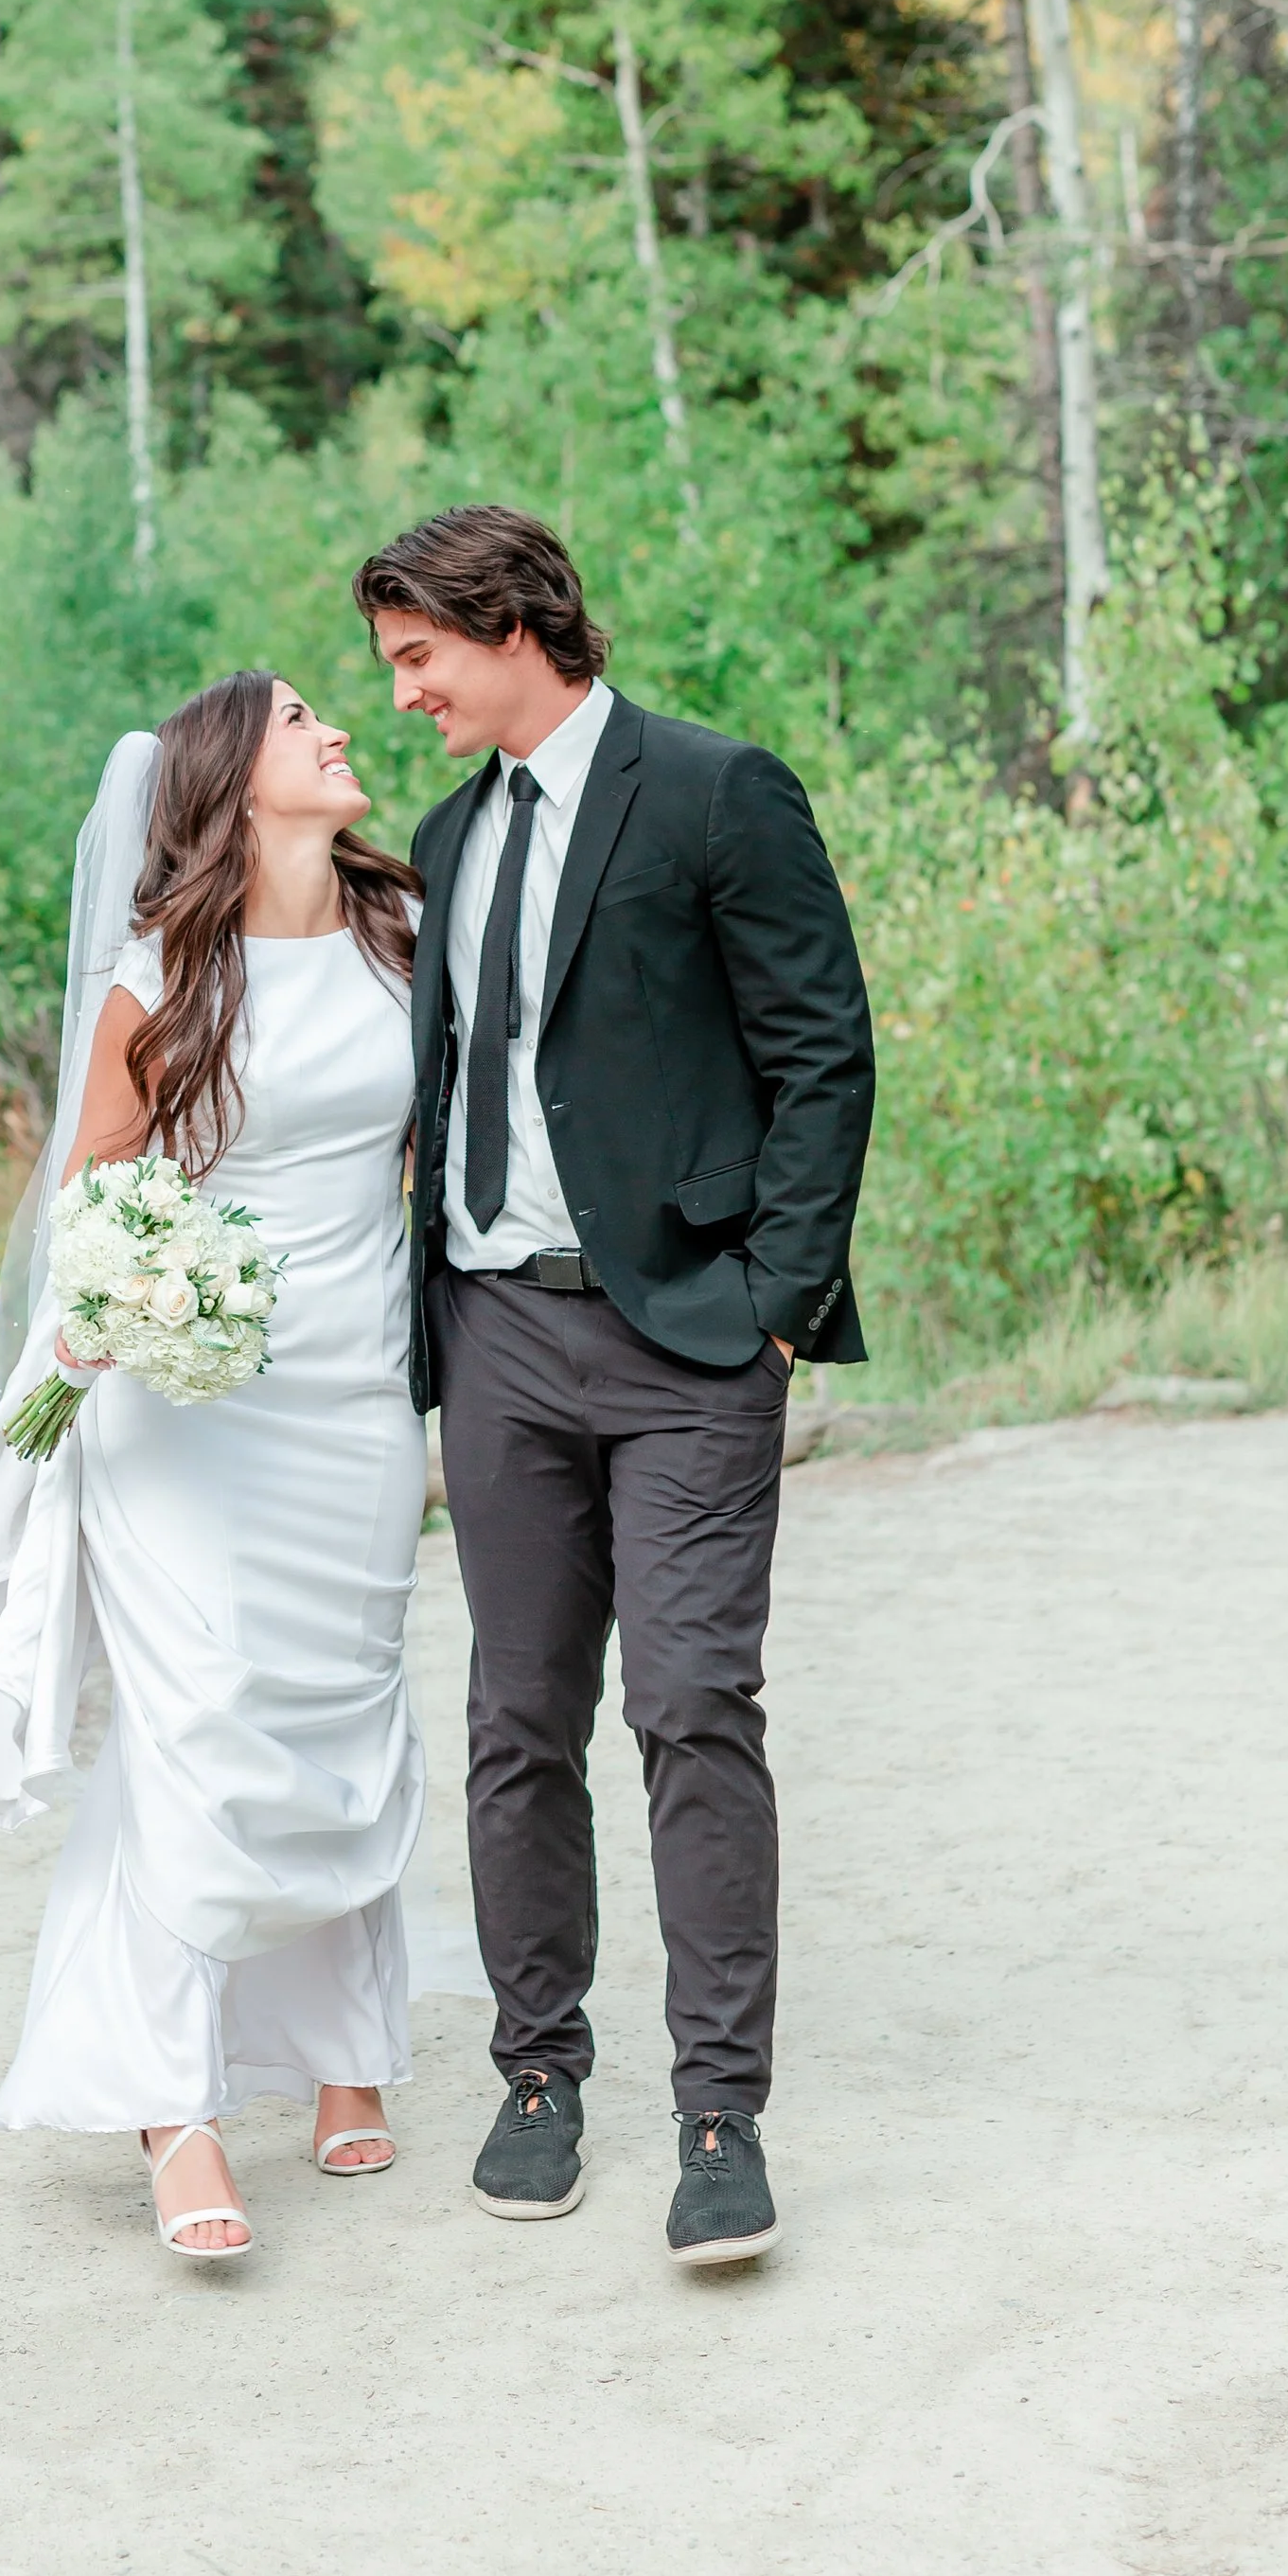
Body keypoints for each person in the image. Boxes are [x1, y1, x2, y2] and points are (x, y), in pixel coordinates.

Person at [353, 506, 874, 2267]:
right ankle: (537, 2077)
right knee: (516, 1725)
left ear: (507, 622)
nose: (406, 695)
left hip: (690, 1342)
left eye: (418, 656)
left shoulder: (718, 789)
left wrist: (777, 1306)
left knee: (694, 1713)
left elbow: (825, 1052)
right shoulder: (443, 835)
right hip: (494, 1339)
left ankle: (721, 2113)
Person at [0, 673, 428, 2262]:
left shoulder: (402, 939)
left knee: (340, 1712)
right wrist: (114, 1324)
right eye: (301, 722)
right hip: (187, 1411)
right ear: (229, 781)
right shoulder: (160, 977)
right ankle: (171, 2102)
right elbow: (100, 1204)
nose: (340, 729)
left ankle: (350, 2048)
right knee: (199, 1723)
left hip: (356, 1401)